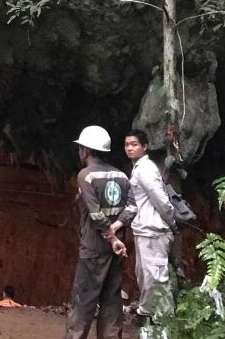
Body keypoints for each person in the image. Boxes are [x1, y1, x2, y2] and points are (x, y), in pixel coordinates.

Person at [64, 126, 132, 339]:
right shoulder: (121, 175)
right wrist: (117, 228)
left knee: (84, 297)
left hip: (94, 247)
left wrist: (110, 236)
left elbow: (95, 214)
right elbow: (132, 207)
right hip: (117, 247)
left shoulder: (86, 175)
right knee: (112, 298)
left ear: (85, 150)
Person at [106, 130, 176, 325]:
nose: (129, 148)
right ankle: (147, 314)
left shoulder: (146, 169)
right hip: (145, 230)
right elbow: (135, 202)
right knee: (145, 274)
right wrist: (118, 224)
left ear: (145, 147)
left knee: (156, 276)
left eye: (134, 144)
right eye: (127, 144)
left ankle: (165, 320)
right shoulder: (138, 168)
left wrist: (170, 222)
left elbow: (161, 199)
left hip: (154, 230)